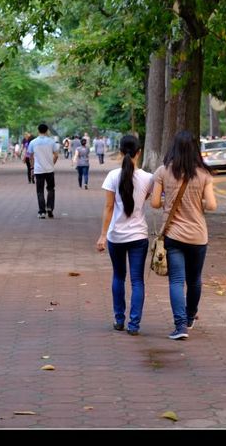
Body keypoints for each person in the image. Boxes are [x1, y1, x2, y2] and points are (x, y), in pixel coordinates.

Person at [150, 130, 217, 340]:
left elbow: (154, 203)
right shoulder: (204, 174)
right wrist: (198, 203)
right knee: (195, 280)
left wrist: (167, 202)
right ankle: (189, 316)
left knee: (177, 281)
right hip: (198, 236)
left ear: (174, 148)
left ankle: (180, 327)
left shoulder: (163, 171)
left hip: (174, 235)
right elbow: (212, 205)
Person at [96, 135, 153, 336]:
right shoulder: (148, 178)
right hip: (138, 236)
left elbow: (109, 207)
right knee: (137, 281)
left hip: (116, 236)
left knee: (118, 276)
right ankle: (134, 325)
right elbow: (149, 198)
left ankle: (119, 319)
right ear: (139, 152)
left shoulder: (112, 176)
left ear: (120, 152)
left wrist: (103, 235)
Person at [27, 123, 59, 219]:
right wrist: (52, 163)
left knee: (40, 191)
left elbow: (30, 156)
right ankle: (49, 208)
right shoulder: (51, 142)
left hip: (38, 170)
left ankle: (41, 212)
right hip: (49, 169)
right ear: (47, 131)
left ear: (38, 130)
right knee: (51, 189)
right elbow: (56, 155)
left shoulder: (33, 142)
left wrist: (32, 167)